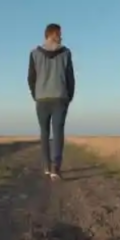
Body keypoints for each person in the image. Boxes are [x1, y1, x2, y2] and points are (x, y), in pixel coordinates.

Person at [27, 23, 75, 181]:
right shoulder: (66, 53)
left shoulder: (34, 54)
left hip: (42, 99)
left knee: (45, 133)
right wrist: (69, 96)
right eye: (59, 34)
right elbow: (70, 79)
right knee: (58, 133)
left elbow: (31, 79)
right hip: (60, 98)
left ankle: (47, 166)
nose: (61, 37)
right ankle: (56, 168)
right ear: (52, 34)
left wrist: (36, 95)